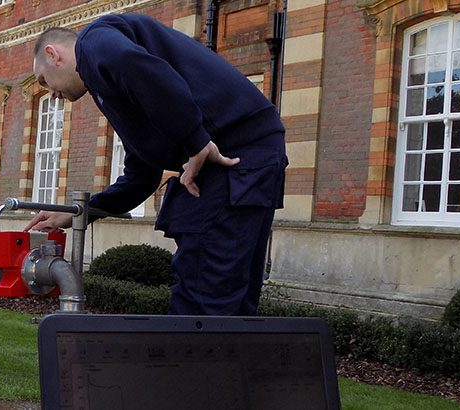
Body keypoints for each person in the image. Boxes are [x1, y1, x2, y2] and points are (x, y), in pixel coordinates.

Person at [25, 13, 287, 316]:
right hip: (253, 153)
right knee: (233, 300)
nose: (52, 94)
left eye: (44, 81)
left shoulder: (92, 42)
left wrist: (196, 140)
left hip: (233, 155)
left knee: (203, 301)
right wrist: (81, 213)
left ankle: (194, 362)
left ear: (52, 54)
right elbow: (142, 174)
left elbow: (132, 63)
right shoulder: (110, 87)